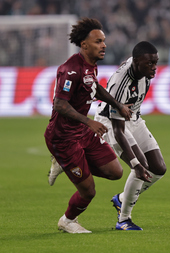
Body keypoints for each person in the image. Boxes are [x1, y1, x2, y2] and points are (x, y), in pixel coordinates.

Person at [44, 17, 132, 234]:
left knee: (115, 171)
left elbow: (95, 87)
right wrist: (89, 121)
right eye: (98, 41)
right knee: (88, 191)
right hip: (63, 138)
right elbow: (59, 104)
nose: (104, 45)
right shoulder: (70, 70)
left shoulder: (90, 66)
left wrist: (117, 104)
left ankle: (64, 165)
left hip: (81, 131)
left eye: (103, 41)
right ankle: (67, 221)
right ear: (84, 44)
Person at [94, 41, 167, 230]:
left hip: (133, 118)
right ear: (136, 62)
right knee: (141, 166)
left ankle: (122, 199)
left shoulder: (144, 73)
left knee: (159, 168)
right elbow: (118, 130)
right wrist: (135, 164)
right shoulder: (120, 83)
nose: (154, 68)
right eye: (149, 64)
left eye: (155, 63)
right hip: (111, 122)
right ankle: (123, 220)